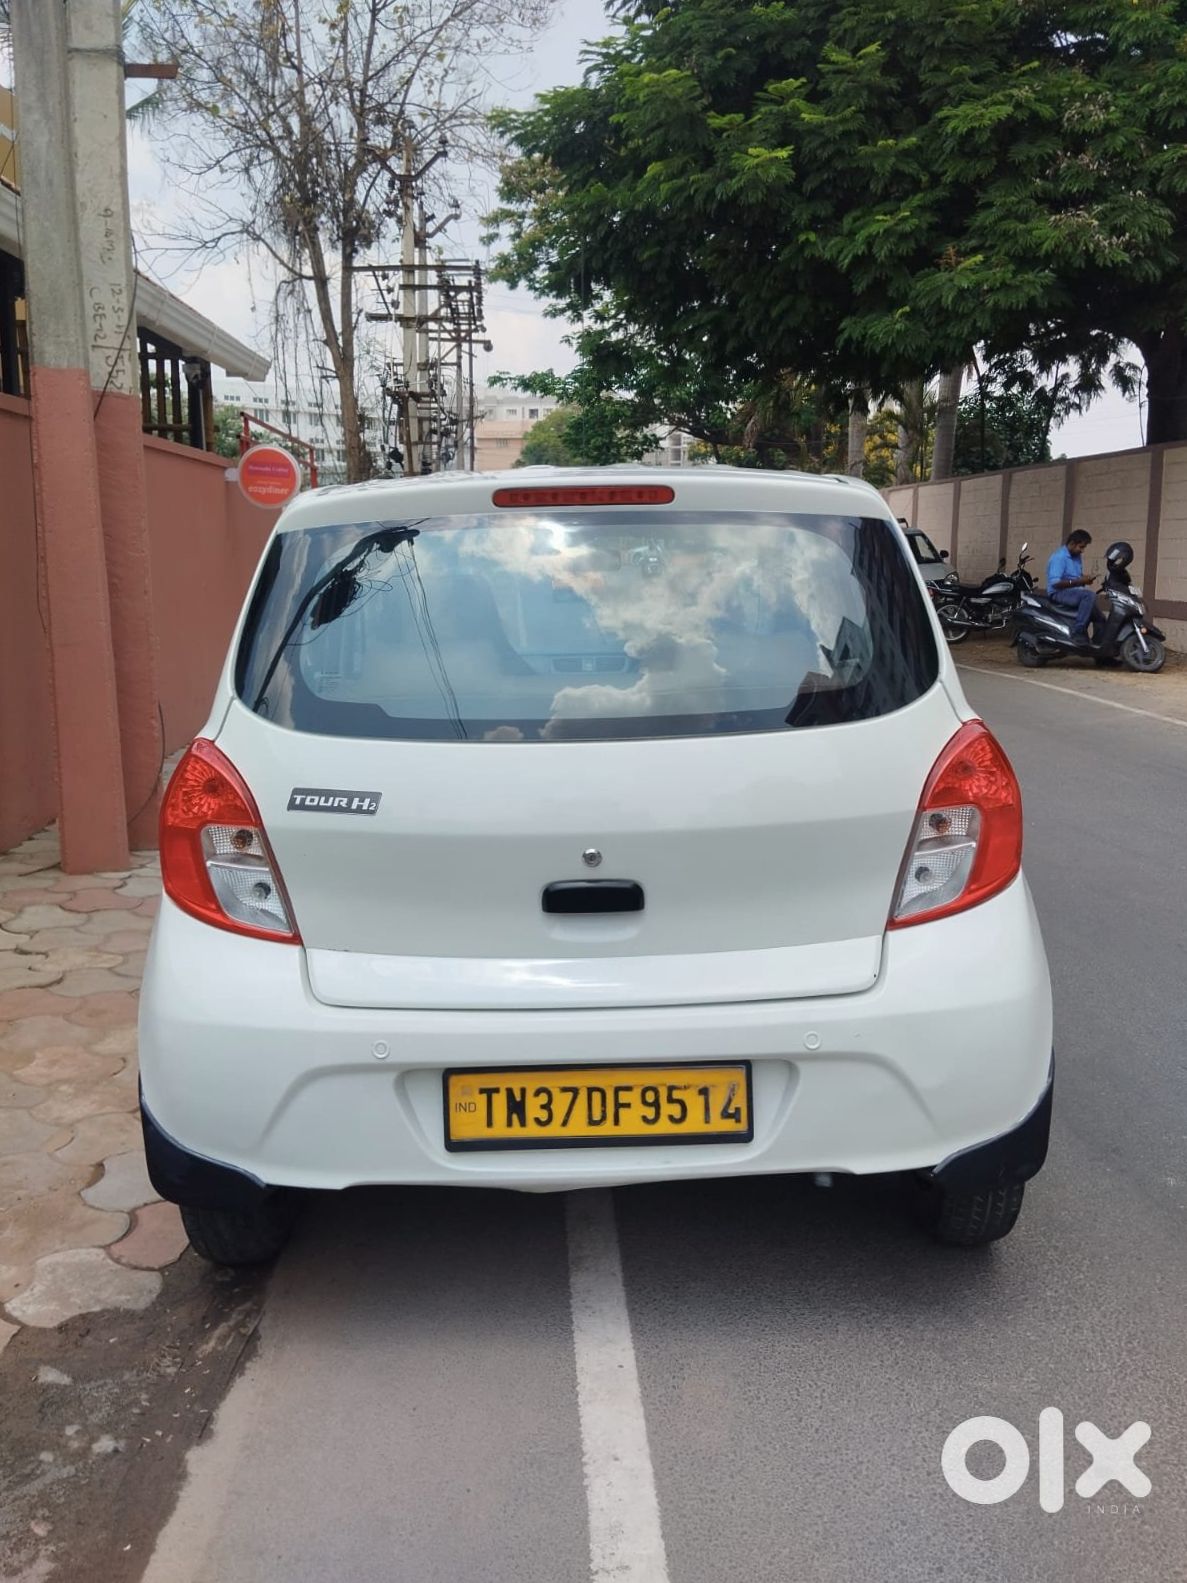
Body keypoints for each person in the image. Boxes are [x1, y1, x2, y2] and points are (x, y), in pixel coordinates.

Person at [1046, 529, 1099, 642]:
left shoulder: (1076, 557)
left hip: (1073, 591)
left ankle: (1101, 651)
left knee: (1099, 617)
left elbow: (1075, 577)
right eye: (1081, 547)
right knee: (1089, 596)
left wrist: (1086, 579)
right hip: (1058, 593)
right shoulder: (1059, 557)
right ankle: (1078, 632)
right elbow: (1055, 583)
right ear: (1072, 544)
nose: (1082, 550)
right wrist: (1080, 581)